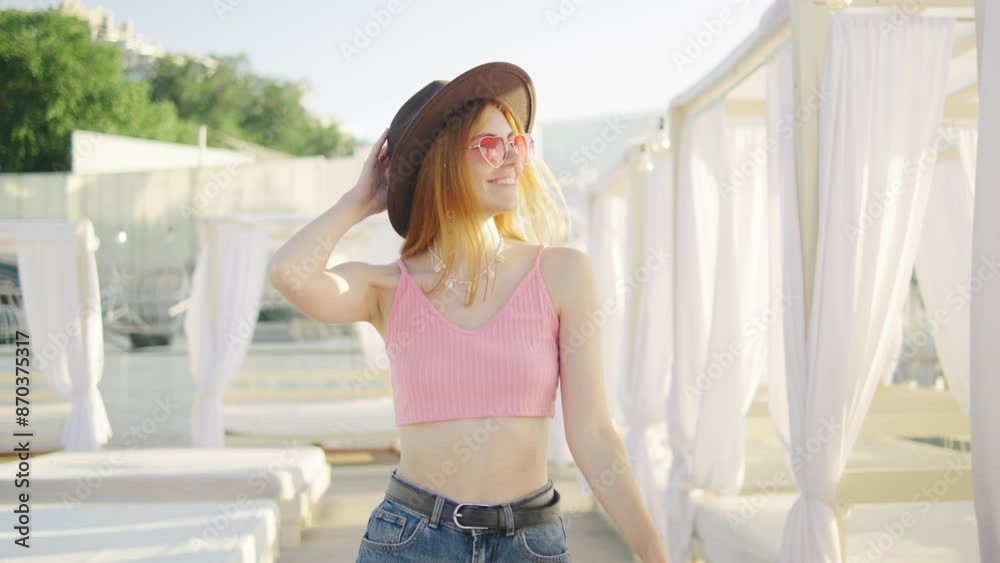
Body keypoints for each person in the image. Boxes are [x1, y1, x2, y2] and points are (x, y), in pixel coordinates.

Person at [268, 61, 669, 563]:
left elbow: (592, 434)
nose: (512, 158)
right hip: (412, 541)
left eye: (516, 143)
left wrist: (653, 551)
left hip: (530, 543)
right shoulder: (387, 287)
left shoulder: (563, 274)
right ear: (440, 162)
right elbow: (288, 274)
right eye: (490, 145)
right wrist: (360, 199)